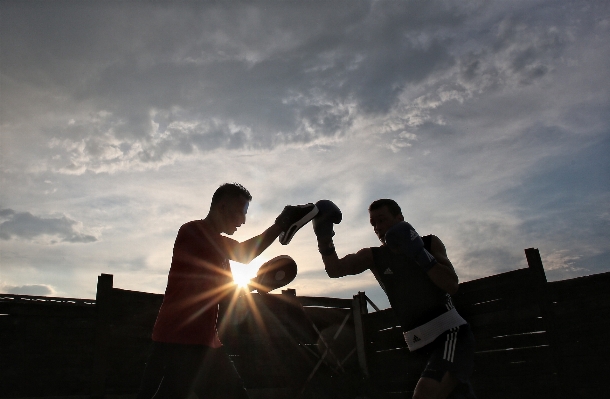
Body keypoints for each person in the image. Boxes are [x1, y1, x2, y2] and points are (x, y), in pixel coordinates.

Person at [137, 183, 317, 399]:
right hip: (177, 339)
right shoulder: (193, 231)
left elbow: (229, 294)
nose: (243, 220)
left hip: (205, 343)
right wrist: (282, 223)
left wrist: (257, 283)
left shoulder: (219, 254)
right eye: (241, 212)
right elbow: (244, 254)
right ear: (222, 207)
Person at [312, 199, 475, 399]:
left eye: (382, 220)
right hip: (418, 345)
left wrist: (419, 254)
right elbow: (335, 269)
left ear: (400, 219)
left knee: (424, 394)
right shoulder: (374, 256)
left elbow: (451, 285)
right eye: (374, 224)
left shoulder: (429, 243)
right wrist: (324, 236)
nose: (378, 228)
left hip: (451, 335)